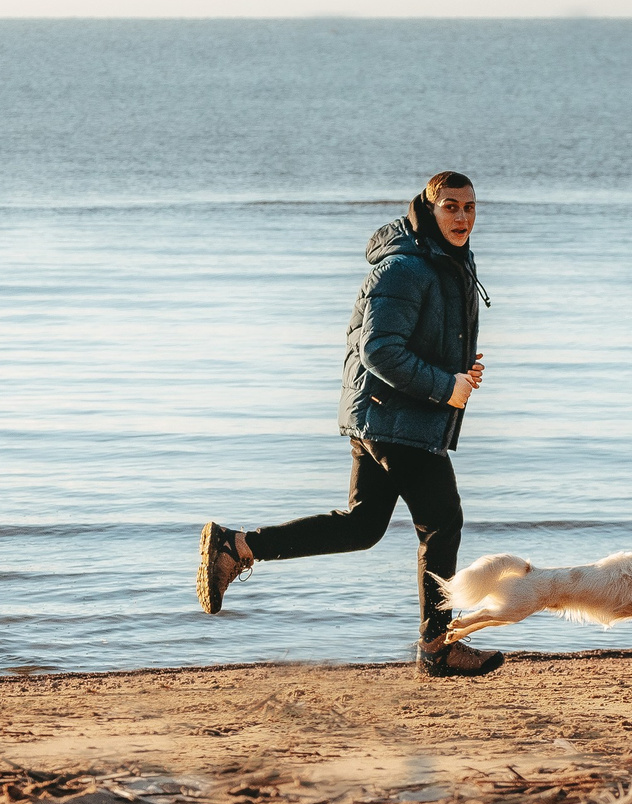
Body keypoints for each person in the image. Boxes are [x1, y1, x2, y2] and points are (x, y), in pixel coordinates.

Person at [196, 171, 504, 679]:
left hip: (391, 414)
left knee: (363, 526)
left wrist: (457, 370)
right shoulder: (405, 267)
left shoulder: (448, 261)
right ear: (429, 209)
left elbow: (412, 340)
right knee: (443, 522)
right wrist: (444, 386)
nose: (463, 217)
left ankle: (238, 547)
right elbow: (379, 350)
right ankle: (438, 645)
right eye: (451, 207)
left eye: (470, 207)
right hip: (394, 416)